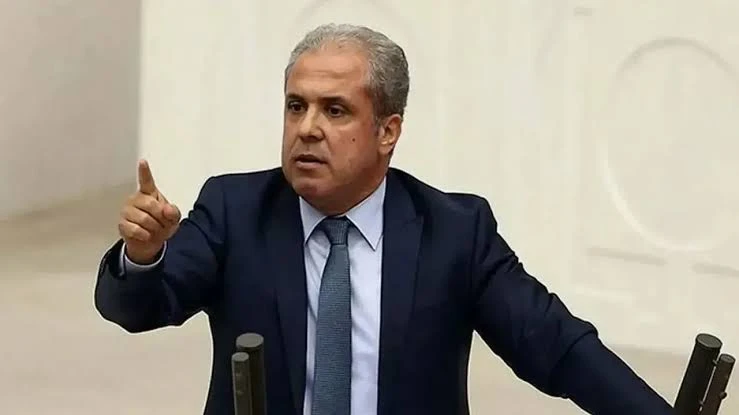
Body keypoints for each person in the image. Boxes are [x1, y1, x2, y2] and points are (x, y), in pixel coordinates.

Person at [94, 23, 675, 415]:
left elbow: (556, 348)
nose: (307, 128)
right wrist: (143, 255)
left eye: (335, 110)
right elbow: (139, 308)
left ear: (388, 131)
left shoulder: (454, 232)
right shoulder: (235, 210)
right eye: (296, 106)